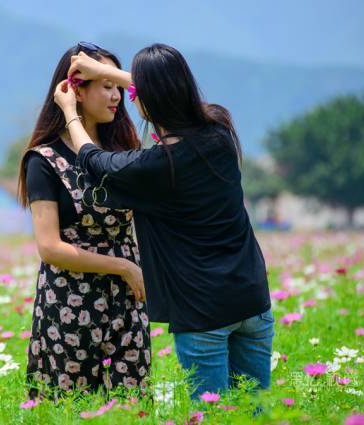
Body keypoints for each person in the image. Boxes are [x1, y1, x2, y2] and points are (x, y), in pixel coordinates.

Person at [53, 43, 273, 399]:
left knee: (213, 416)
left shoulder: (155, 167)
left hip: (203, 311)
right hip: (253, 299)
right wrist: (105, 71)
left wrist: (69, 112)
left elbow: (92, 159)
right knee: (257, 411)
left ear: (145, 100)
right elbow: (170, 95)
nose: (127, 94)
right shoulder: (219, 129)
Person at [18, 42, 152, 400]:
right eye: (106, 85)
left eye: (119, 85)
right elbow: (50, 248)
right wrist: (123, 266)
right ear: (76, 89)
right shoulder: (44, 160)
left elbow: (166, 97)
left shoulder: (122, 152)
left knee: (131, 411)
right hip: (69, 305)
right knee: (69, 411)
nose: (117, 96)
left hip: (127, 303)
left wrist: (131, 272)